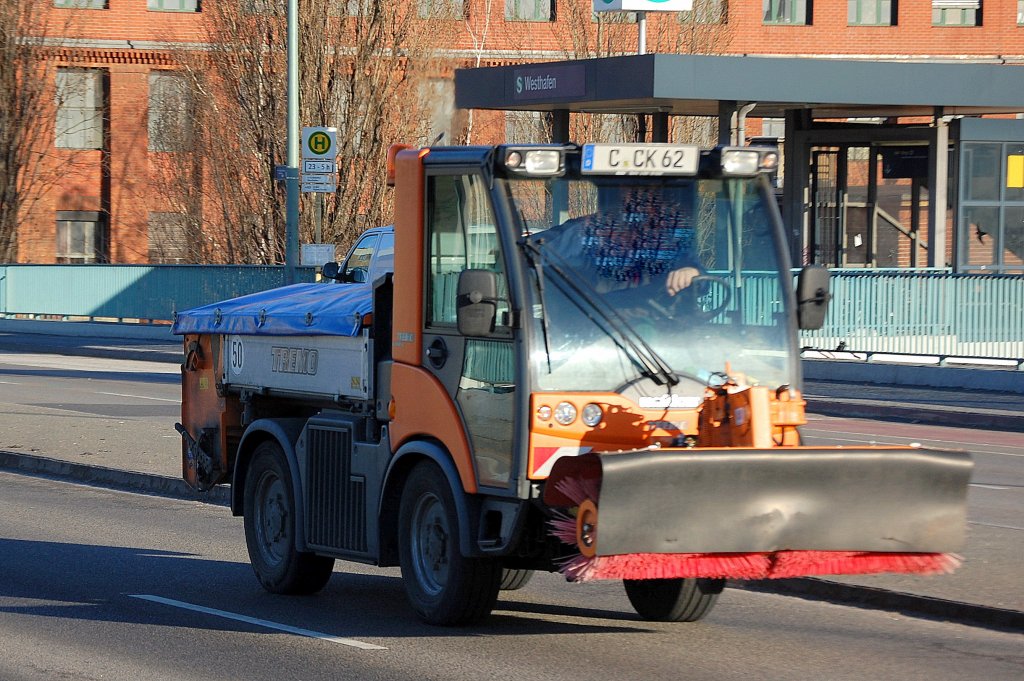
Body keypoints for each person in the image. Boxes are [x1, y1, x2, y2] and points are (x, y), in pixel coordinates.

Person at [532, 183, 702, 300]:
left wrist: (691, 273)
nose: (640, 203)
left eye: (648, 195)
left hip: (658, 333)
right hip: (596, 328)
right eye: (633, 194)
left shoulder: (669, 242)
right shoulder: (586, 232)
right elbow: (530, 253)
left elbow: (701, 282)